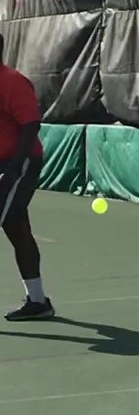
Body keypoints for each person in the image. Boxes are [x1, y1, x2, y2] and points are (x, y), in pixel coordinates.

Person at [0, 33, 55, 321]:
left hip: (18, 163)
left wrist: (12, 170)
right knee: (17, 227)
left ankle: (38, 301)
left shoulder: (11, 81)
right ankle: (38, 301)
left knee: (15, 224)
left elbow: (30, 123)